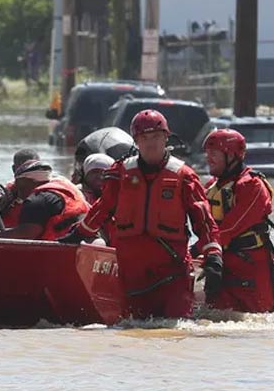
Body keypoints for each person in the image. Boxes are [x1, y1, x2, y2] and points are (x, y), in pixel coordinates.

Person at [60, 110, 223, 319]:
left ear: (166, 137)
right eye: (144, 138)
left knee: (175, 328)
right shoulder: (120, 173)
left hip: (171, 272)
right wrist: (77, 234)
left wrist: (214, 257)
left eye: (156, 137)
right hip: (132, 275)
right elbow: (103, 209)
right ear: (136, 141)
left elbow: (204, 221)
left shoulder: (184, 176)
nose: (151, 144)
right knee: (133, 331)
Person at [201, 129, 274, 313]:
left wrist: (198, 251)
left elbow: (229, 230)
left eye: (214, 153)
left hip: (251, 269)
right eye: (207, 153)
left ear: (232, 156)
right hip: (221, 266)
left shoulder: (252, 187)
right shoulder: (211, 187)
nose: (208, 158)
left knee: (257, 320)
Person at [0, 160, 89, 241]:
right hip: (84, 239)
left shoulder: (36, 200)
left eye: (18, 185)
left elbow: (28, 233)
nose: (17, 189)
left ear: (22, 182)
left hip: (62, 249)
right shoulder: (66, 189)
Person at [0, 149, 40, 228]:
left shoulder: (48, 190)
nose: (29, 174)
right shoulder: (6, 191)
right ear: (14, 169)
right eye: (24, 170)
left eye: (34, 169)